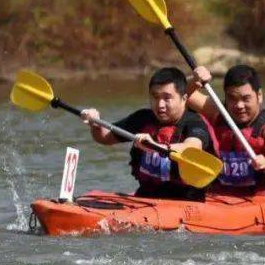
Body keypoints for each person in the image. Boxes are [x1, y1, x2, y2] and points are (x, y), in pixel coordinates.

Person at [80, 66, 218, 200]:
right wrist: (96, 123)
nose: (160, 104)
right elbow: (105, 137)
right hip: (145, 197)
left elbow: (192, 147)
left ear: (184, 98)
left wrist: (155, 146)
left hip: (185, 200)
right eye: (155, 97)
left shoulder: (194, 122)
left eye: (167, 98)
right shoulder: (143, 118)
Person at [186, 64, 265, 191]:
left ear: (259, 95)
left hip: (262, 196)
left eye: (246, 98)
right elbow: (181, 95)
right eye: (232, 98)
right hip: (219, 196)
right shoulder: (219, 111)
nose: (239, 105)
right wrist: (194, 81)